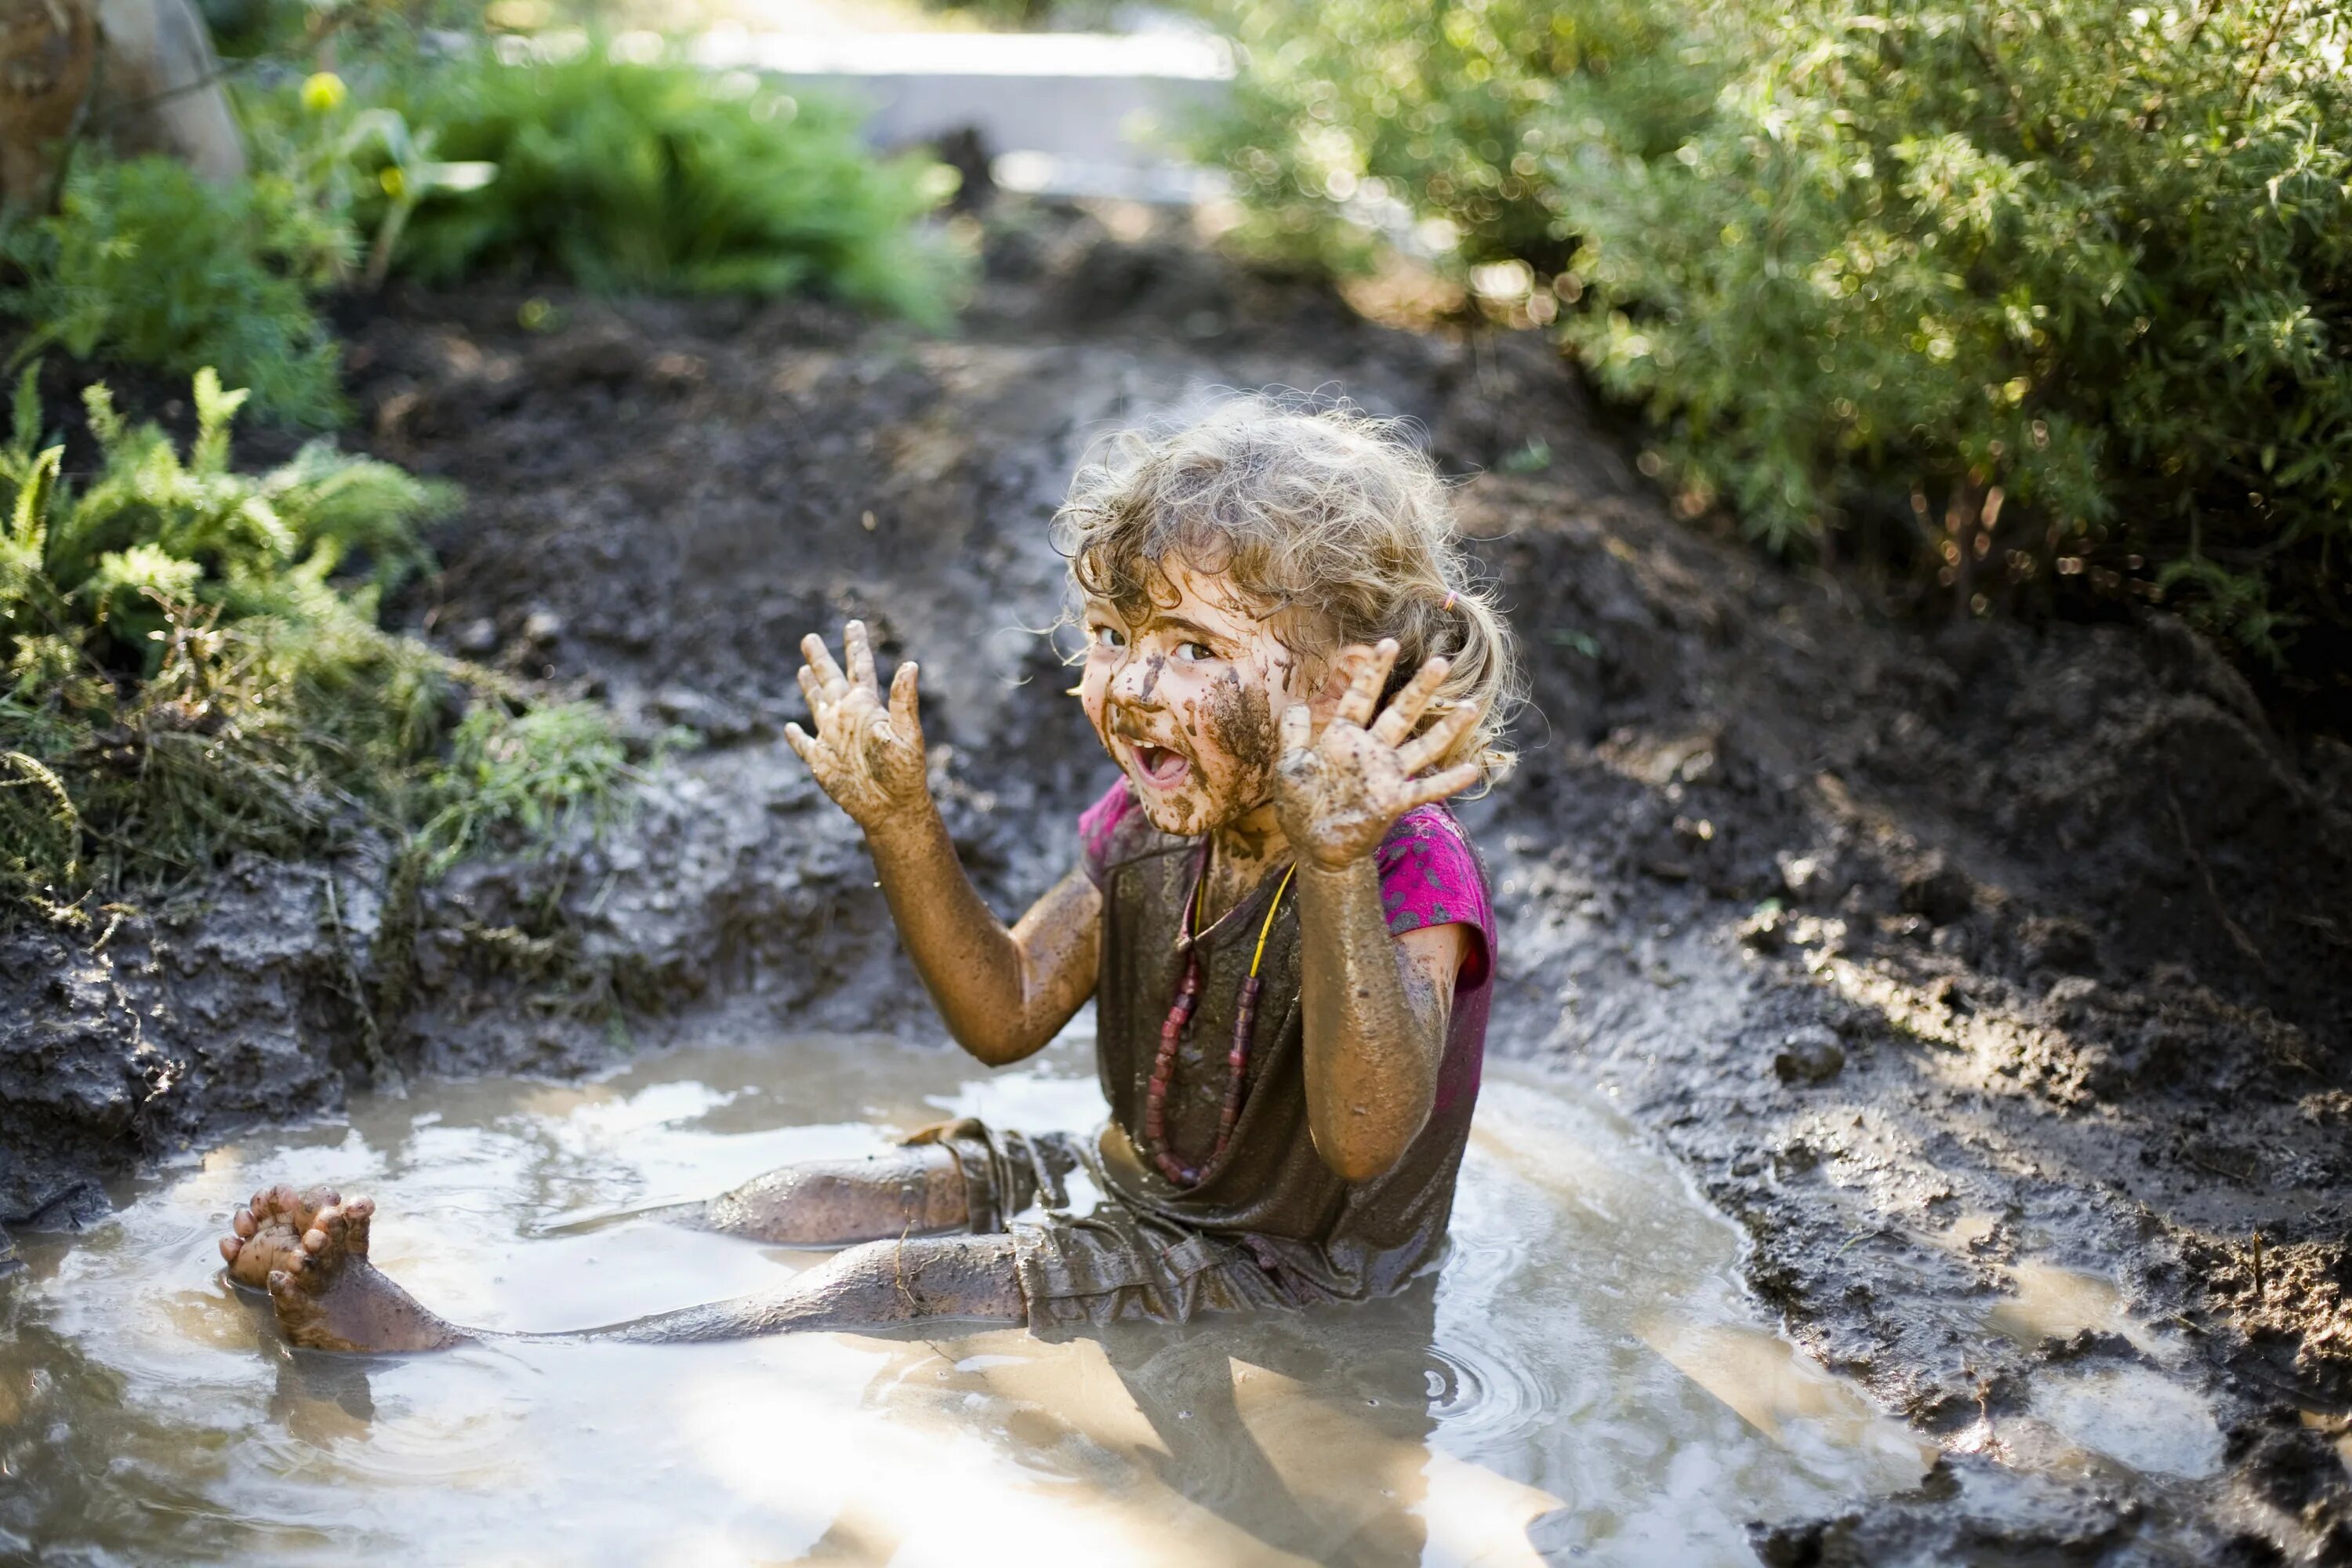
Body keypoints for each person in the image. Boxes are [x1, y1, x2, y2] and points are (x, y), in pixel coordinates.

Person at [218, 397, 1520, 1352]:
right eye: (1114, 634)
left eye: (1188, 644)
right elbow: (1005, 1016)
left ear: (1347, 682)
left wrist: (1338, 859)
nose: (1129, 682)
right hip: (1131, 1185)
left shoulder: (1410, 874)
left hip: (1287, 1277)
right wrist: (906, 825)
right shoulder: (1154, 824)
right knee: (815, 1197)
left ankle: (458, 1353)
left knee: (884, 1284)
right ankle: (479, 1268)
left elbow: (1361, 1143)